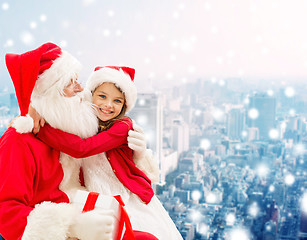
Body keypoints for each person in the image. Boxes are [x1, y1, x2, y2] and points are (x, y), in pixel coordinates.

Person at [0, 42, 157, 240]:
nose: (81, 89)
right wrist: (72, 227)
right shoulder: (18, 141)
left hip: (88, 210)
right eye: (70, 83)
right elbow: (5, 212)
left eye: (78, 80)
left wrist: (139, 156)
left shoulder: (69, 129)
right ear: (51, 91)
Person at [35, 66, 183, 240]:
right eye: (102, 96)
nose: (108, 105)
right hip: (96, 195)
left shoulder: (122, 127)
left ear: (124, 106)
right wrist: (36, 109)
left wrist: (41, 129)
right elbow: (62, 104)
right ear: (91, 95)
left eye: (117, 101)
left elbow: (83, 148)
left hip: (124, 196)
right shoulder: (87, 119)